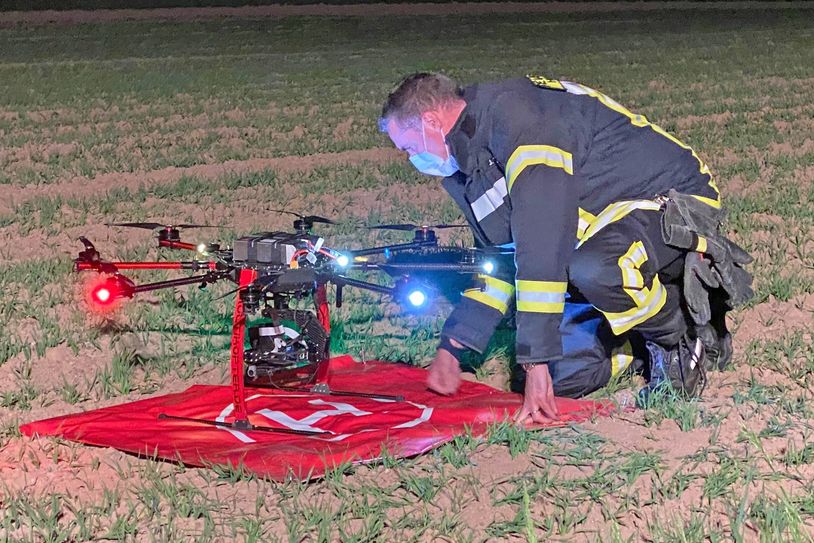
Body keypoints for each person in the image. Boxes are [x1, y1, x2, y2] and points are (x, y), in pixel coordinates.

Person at [379, 73, 752, 424]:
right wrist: (454, 345)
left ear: (430, 120)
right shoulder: (469, 161)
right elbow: (503, 261)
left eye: (409, 147)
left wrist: (535, 359)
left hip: (672, 199)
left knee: (600, 268)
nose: (413, 160)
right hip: (603, 227)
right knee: (563, 379)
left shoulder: (519, 120)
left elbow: (542, 241)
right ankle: (637, 337)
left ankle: (678, 340)